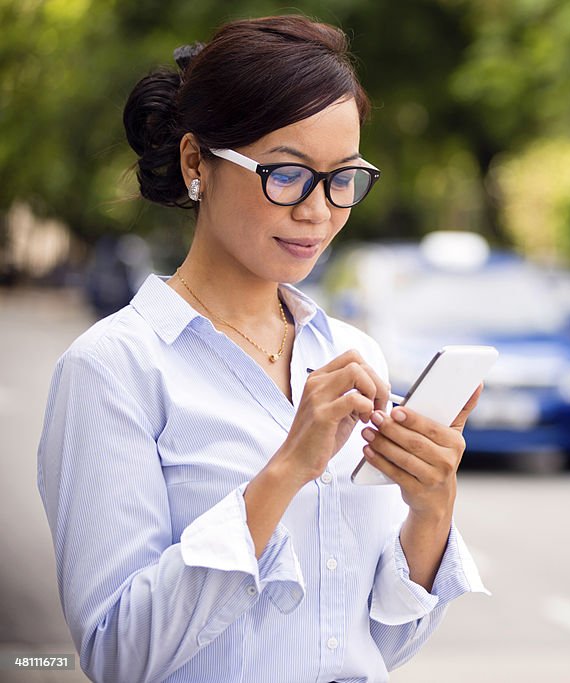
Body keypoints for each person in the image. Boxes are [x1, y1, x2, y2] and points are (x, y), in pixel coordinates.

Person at [36, 15, 489, 683]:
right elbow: (117, 653)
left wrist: (432, 507)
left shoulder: (350, 353)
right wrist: (285, 470)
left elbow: (378, 643)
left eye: (345, 178)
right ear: (197, 163)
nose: (319, 211)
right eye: (287, 174)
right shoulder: (114, 368)